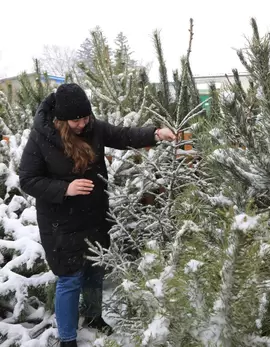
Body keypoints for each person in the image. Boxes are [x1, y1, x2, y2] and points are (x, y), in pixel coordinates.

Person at [18, 83, 175, 347]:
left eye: (85, 117)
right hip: (61, 223)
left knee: (95, 270)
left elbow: (125, 135)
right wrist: (65, 188)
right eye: (75, 119)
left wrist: (156, 133)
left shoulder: (94, 128)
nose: (81, 123)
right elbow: (27, 179)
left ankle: (94, 317)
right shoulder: (41, 138)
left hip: (93, 216)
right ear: (61, 118)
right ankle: (67, 338)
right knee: (70, 279)